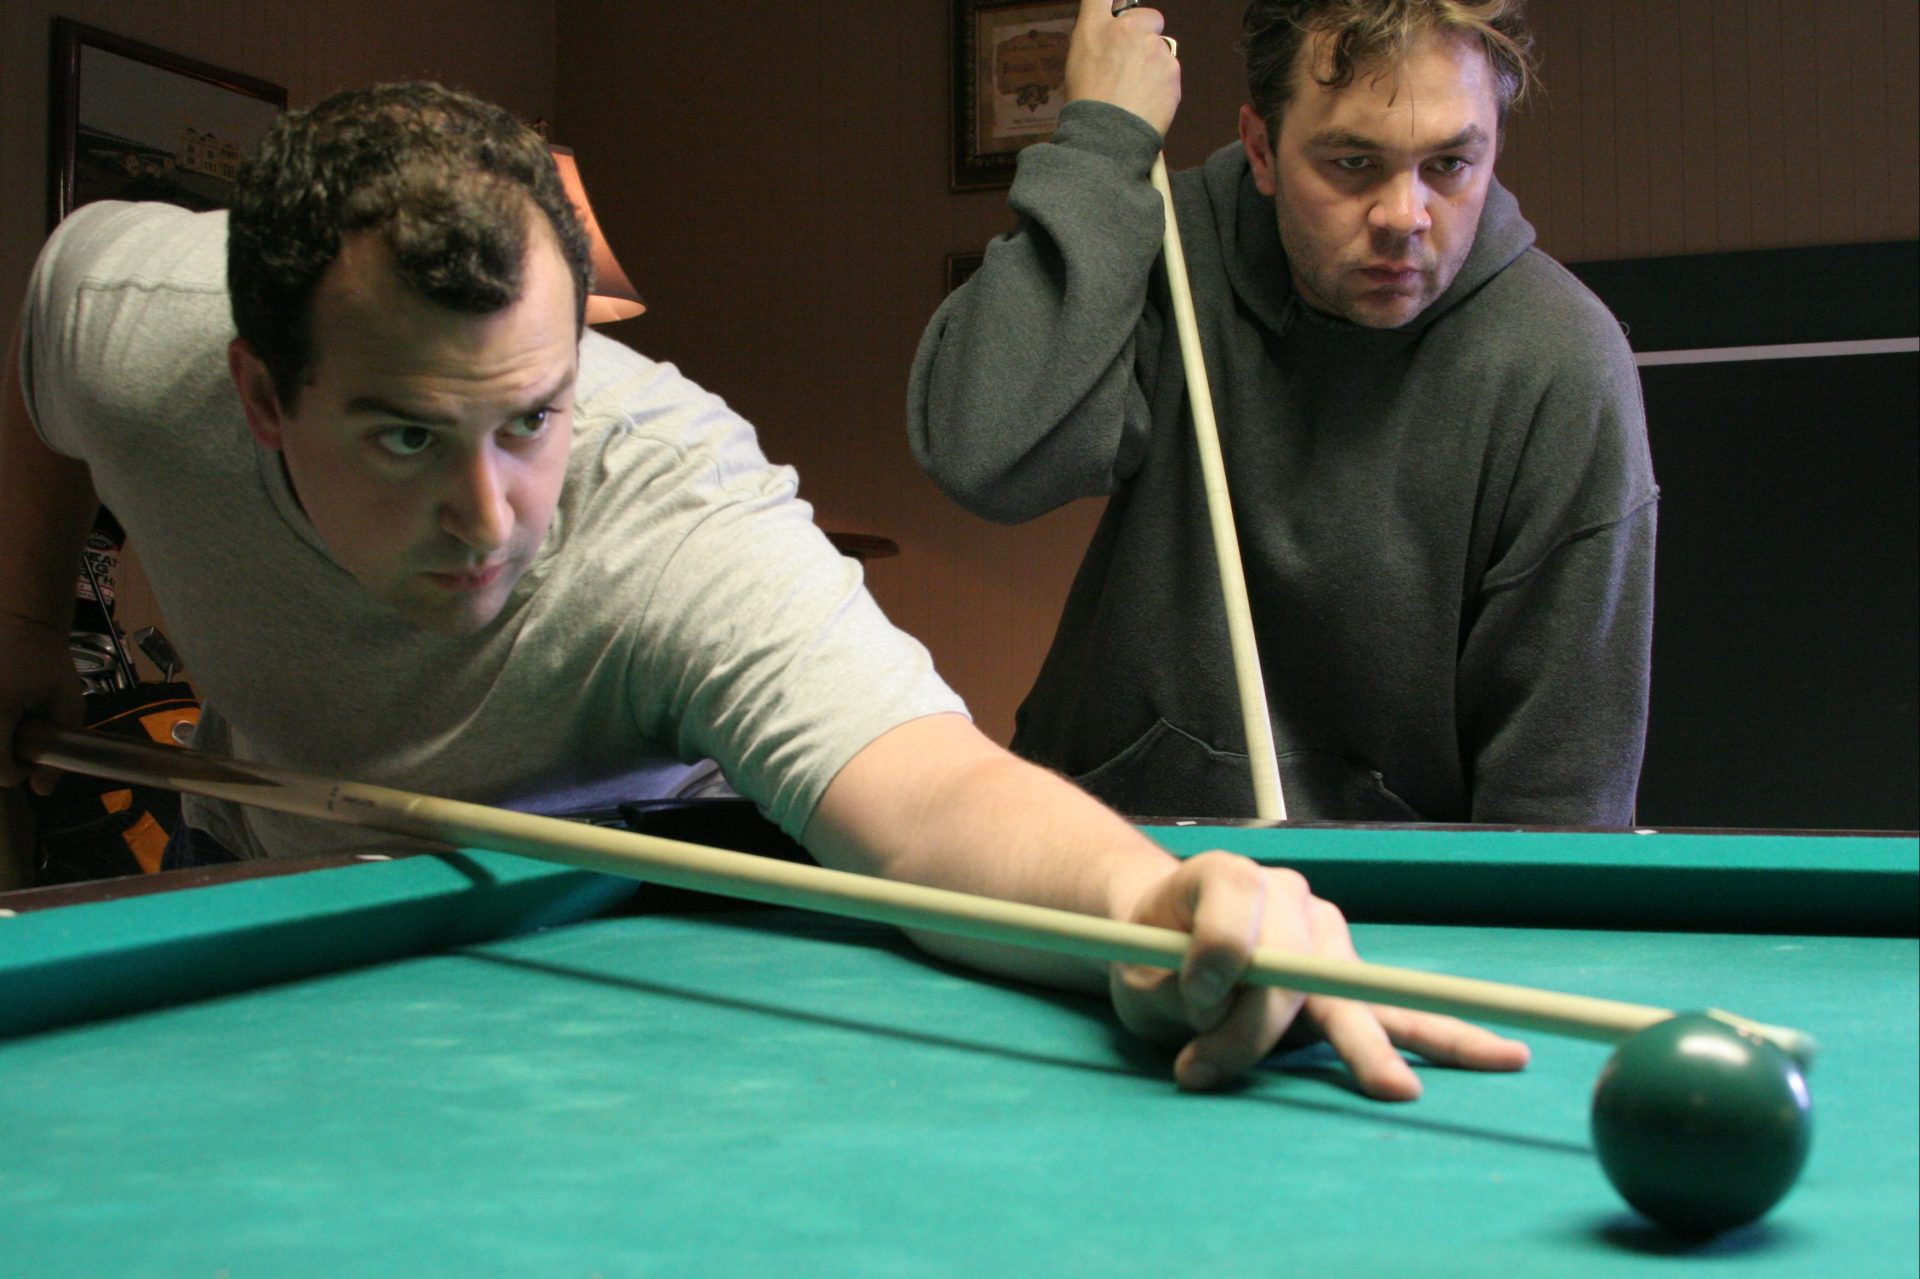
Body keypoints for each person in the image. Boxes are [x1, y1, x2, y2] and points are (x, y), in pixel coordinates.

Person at [2, 82, 1526, 1094]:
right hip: (275, 871)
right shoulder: (131, 322)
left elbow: (927, 793)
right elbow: (40, 376)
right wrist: (22, 623)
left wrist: (1148, 899)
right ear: (261, 397)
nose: (490, 515)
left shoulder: (669, 506)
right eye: (407, 435)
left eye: (531, 418)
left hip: (614, 935)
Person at [910, 0, 1656, 825]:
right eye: (1353, 163)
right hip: (1107, 850)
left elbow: (1560, 797)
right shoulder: (1164, 242)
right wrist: (1101, 141)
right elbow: (984, 454)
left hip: (1385, 892)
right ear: (1262, 149)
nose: (1404, 217)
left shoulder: (1559, 359)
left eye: (1449, 164)